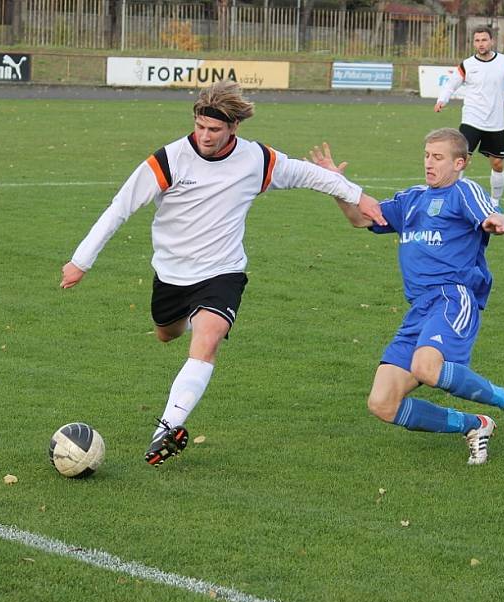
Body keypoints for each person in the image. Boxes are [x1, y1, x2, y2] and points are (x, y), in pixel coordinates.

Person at [60, 80, 384, 468]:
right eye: (200, 126)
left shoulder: (256, 159)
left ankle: (168, 427)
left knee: (208, 338)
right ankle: (178, 329)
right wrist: (82, 260)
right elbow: (119, 209)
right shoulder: (169, 160)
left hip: (222, 272)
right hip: (172, 274)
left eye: (214, 129)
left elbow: (308, 174)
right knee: (168, 333)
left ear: (233, 128)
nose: (205, 136)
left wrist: (357, 193)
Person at [309, 129, 504, 465]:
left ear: (459, 163)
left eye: (438, 157)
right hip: (419, 309)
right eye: (426, 155)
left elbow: (490, 212)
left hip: (452, 298)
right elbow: (360, 218)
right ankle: (475, 426)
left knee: (426, 367)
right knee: (382, 403)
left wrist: (495, 221)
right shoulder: (411, 200)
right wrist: (336, 186)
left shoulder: (463, 191)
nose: (429, 163)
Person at [434, 26, 504, 208]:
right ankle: (454, 200)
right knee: (461, 160)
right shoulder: (467, 64)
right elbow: (451, 85)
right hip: (471, 119)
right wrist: (442, 99)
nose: (480, 44)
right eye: (477, 40)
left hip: (495, 122)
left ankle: (494, 202)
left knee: (497, 164)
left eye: (484, 40)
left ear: (492, 41)